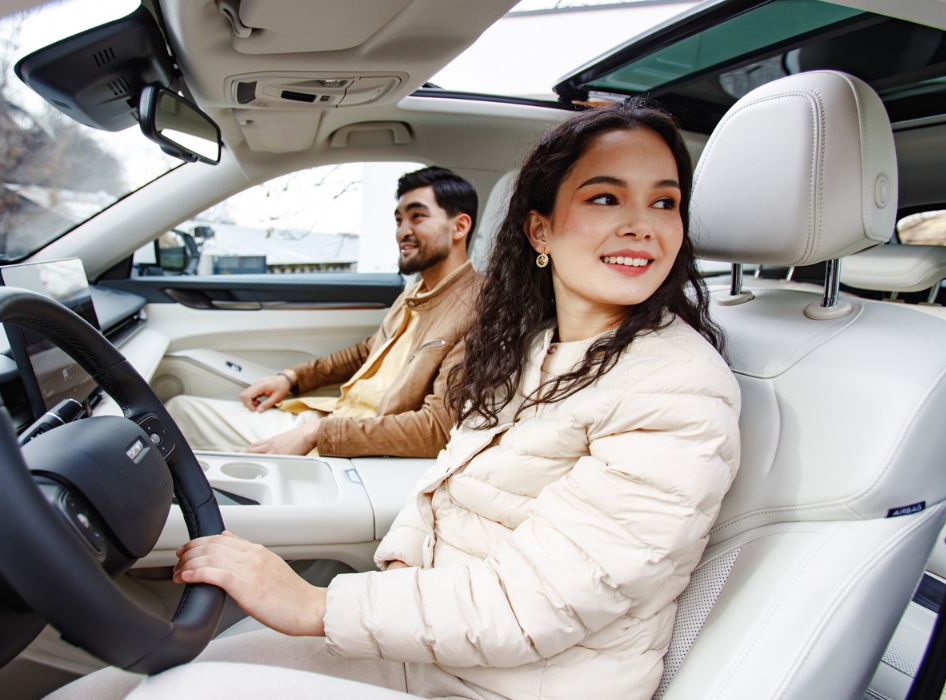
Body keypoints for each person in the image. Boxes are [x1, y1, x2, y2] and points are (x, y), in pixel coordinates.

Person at [60, 100, 741, 700]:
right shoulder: (531, 344)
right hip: (435, 644)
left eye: (664, 203)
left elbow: (531, 606)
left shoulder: (678, 388)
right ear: (540, 232)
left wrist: (314, 604)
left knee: (178, 692)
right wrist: (395, 575)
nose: (642, 226)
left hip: (516, 684)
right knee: (120, 685)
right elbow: (445, 482)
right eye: (605, 198)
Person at [164, 166, 481, 459]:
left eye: (417, 217)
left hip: (352, 443)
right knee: (180, 411)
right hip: (332, 418)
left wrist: (319, 433)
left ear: (460, 227)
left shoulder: (477, 310)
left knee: (179, 418)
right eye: (399, 220)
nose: (402, 232)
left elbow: (436, 430)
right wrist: (292, 378)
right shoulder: (416, 292)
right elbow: (367, 353)